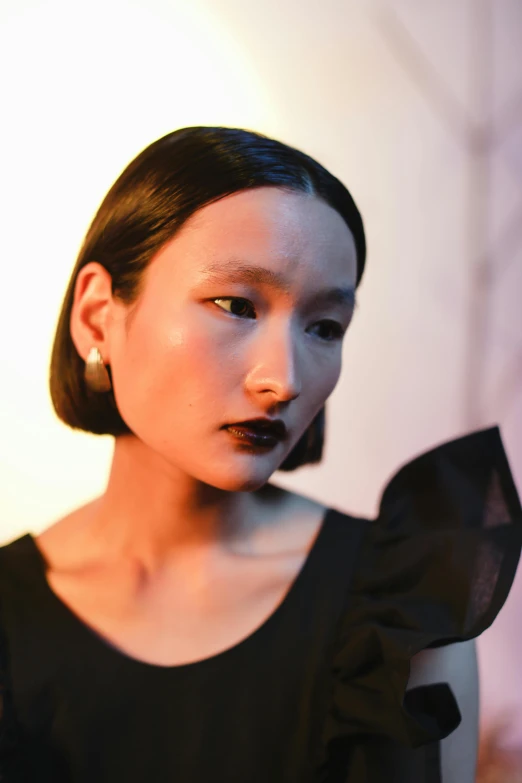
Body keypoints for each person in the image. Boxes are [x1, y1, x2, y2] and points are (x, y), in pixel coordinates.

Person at [0, 126, 520, 783]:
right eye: (236, 304)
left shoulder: (403, 610)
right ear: (99, 315)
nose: (285, 377)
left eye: (325, 327)